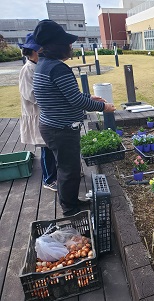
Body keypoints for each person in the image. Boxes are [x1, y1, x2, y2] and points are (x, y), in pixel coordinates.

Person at [32, 19, 116, 216]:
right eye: (68, 43)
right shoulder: (57, 68)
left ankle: (70, 203)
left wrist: (89, 96)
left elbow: (66, 96)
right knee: (68, 171)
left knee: (66, 168)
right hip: (60, 129)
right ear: (57, 45)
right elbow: (76, 101)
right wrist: (104, 107)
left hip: (52, 125)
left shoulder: (44, 64)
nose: (71, 46)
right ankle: (70, 209)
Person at [19, 33, 58, 192]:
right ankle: (49, 179)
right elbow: (31, 95)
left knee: (54, 146)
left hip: (48, 113)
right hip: (38, 114)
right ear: (34, 51)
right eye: (41, 48)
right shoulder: (27, 70)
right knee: (46, 148)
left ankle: (61, 173)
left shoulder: (39, 65)